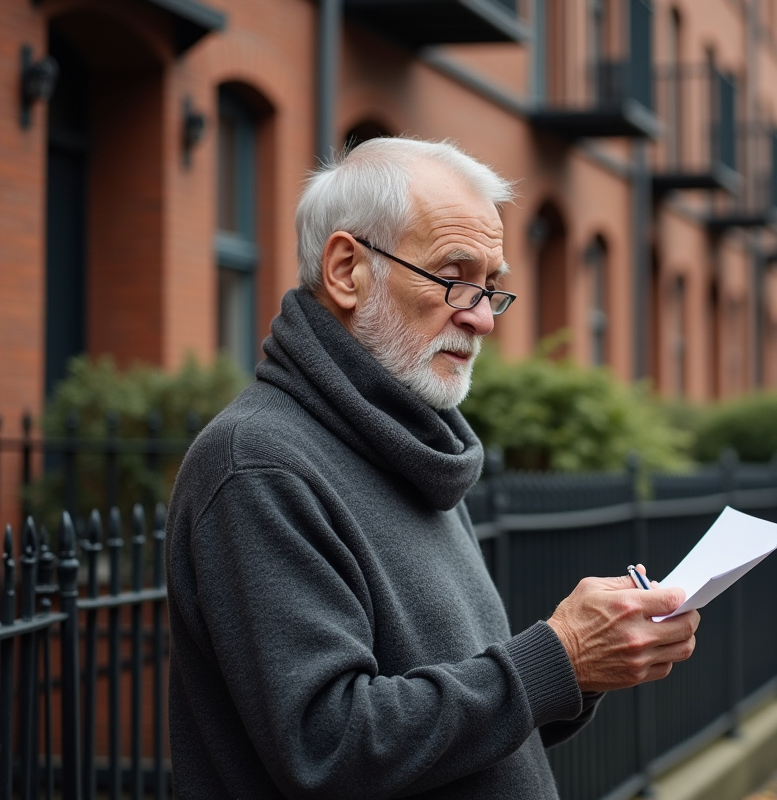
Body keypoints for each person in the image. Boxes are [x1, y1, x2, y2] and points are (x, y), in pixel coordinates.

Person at [165, 137, 700, 799]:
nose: (482, 318)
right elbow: (327, 748)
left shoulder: (407, 444)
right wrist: (556, 655)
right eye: (455, 276)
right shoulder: (258, 466)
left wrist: (580, 671)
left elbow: (455, 725)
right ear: (345, 270)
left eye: (492, 285)